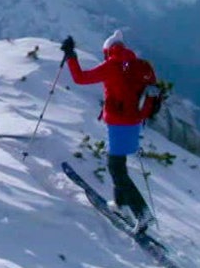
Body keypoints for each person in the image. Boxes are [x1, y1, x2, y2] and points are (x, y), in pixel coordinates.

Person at [60, 30, 157, 235]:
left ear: (108, 51)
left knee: (116, 168)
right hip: (135, 121)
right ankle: (121, 204)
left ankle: (142, 212)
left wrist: (71, 57)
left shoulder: (112, 66)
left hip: (119, 122)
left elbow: (80, 78)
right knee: (117, 162)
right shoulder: (138, 65)